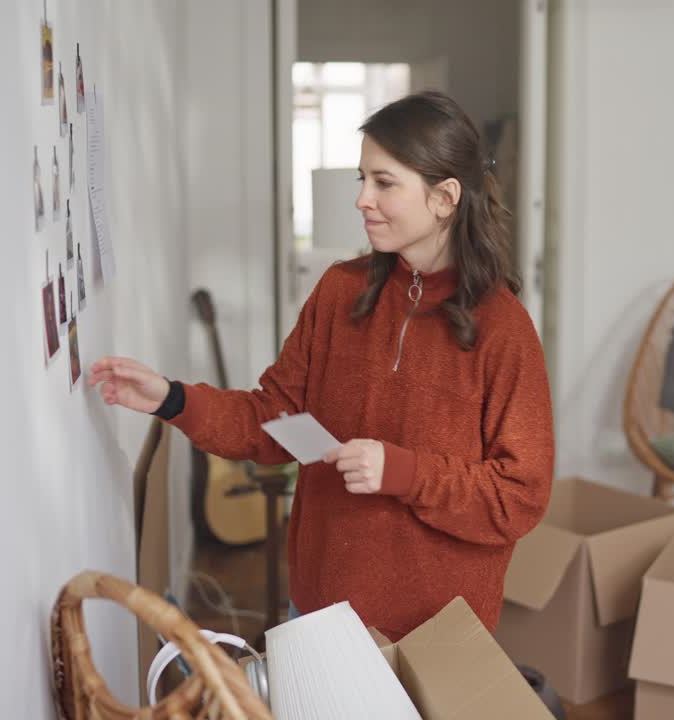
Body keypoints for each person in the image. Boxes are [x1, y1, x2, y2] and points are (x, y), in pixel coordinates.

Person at [89, 91, 553, 640]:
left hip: (437, 634)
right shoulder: (340, 292)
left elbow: (519, 496)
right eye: (362, 179)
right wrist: (170, 397)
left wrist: (402, 472)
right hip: (319, 608)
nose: (361, 199)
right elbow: (273, 421)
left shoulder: (503, 329)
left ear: (445, 197)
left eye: (383, 182)